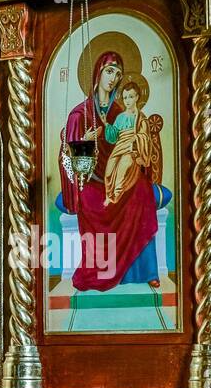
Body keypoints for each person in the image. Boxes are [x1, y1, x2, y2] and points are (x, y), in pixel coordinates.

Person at [60, 50, 160, 292]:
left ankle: (144, 271)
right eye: (109, 71)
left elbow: (136, 141)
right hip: (91, 181)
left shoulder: (121, 112)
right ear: (98, 73)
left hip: (119, 176)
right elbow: (71, 161)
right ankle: (100, 269)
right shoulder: (79, 114)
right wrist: (85, 139)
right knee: (93, 202)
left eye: (118, 73)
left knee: (143, 192)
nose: (113, 78)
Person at [104, 74, 160, 207]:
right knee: (108, 172)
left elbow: (145, 137)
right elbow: (113, 137)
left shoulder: (141, 118)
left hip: (132, 149)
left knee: (123, 170)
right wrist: (107, 125)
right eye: (124, 98)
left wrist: (135, 140)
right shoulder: (120, 117)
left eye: (130, 97)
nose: (127, 100)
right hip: (119, 147)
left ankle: (114, 197)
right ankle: (108, 194)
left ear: (137, 97)